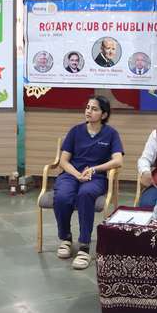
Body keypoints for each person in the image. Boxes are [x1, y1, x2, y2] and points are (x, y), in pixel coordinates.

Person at [53, 95, 124, 270]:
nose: (89, 111)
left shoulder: (111, 134)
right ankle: (65, 238)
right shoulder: (75, 131)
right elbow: (63, 161)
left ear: (104, 114)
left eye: (94, 109)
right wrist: (77, 175)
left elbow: (118, 161)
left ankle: (84, 246)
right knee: (62, 197)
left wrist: (94, 169)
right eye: (87, 107)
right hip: (71, 174)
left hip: (95, 177)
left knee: (85, 194)